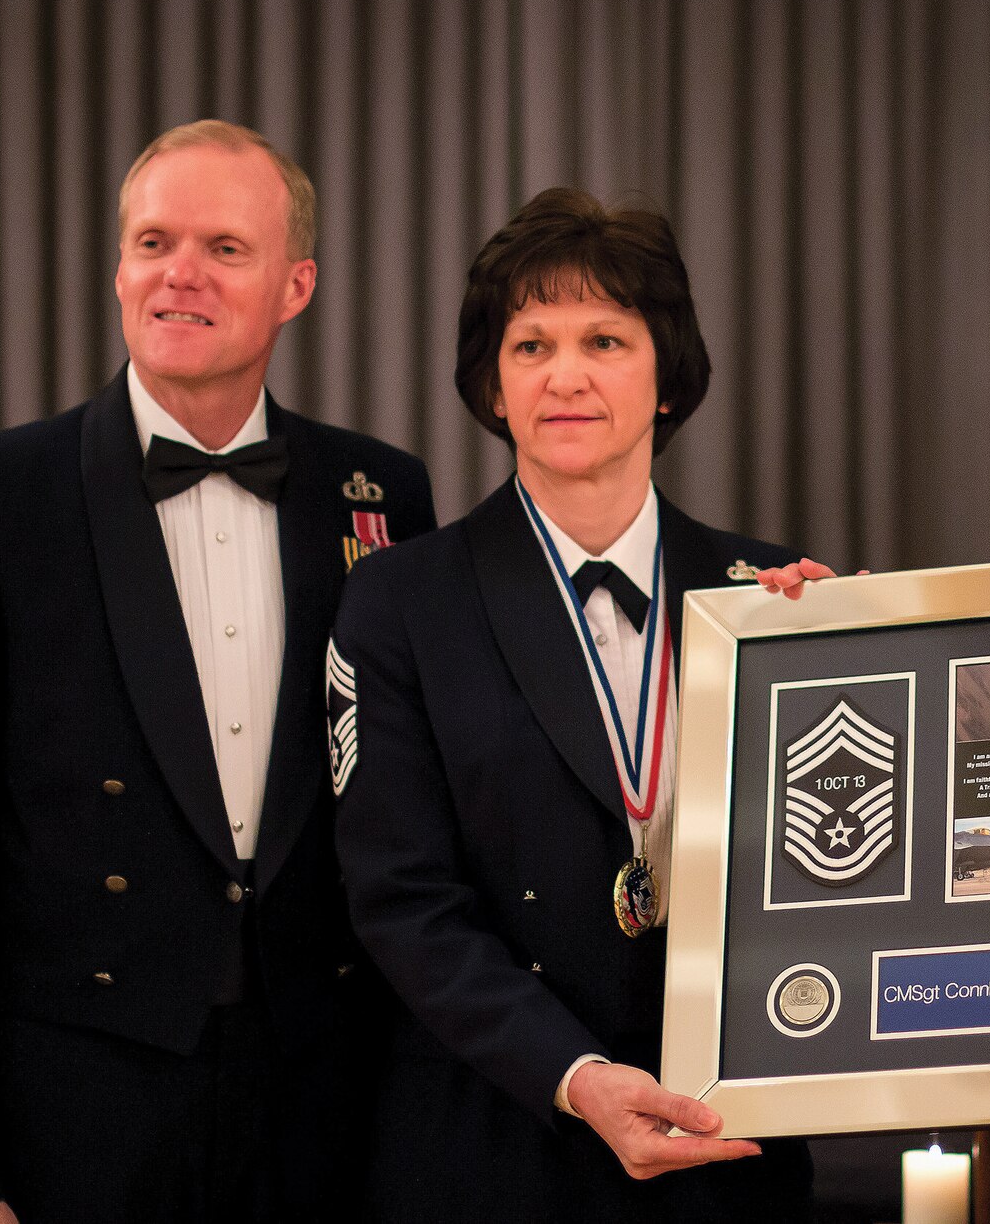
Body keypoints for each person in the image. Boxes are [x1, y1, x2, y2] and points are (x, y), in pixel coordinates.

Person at [0, 120, 436, 1222]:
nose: (180, 273)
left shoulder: (377, 493)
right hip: (71, 1121)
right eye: (154, 241)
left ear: (295, 283)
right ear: (119, 266)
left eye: (225, 247)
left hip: (322, 1113)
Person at [333, 188, 814, 1220]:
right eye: (529, 345)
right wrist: (578, 1077)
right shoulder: (400, 600)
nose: (566, 375)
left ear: (666, 377)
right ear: (492, 387)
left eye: (604, 337)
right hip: (490, 1143)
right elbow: (401, 901)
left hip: (727, 1152)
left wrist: (843, 658)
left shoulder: (770, 595)